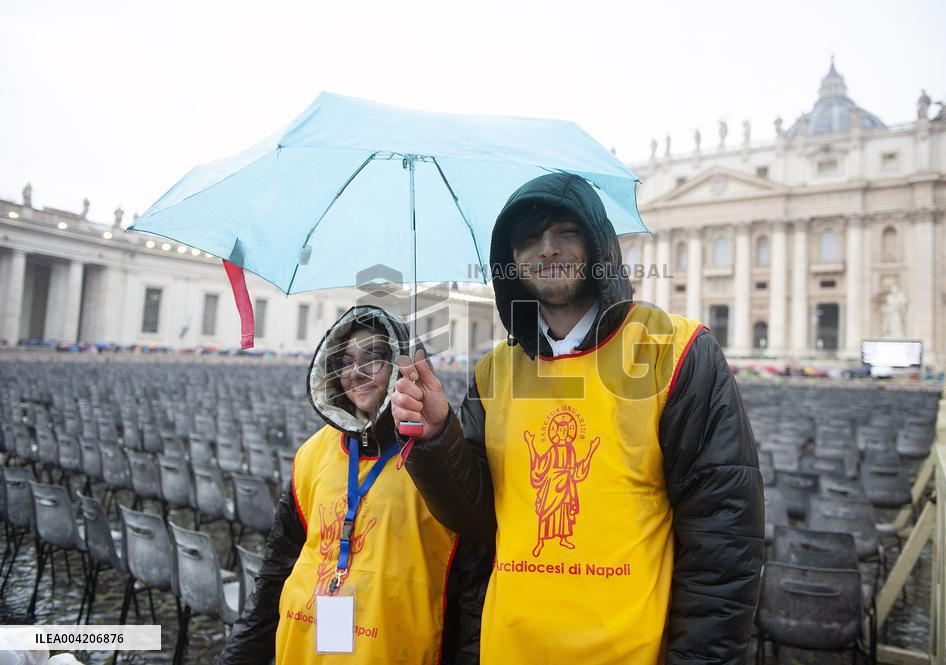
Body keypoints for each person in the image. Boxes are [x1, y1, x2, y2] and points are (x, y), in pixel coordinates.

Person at [393, 173, 764, 664]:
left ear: (599, 244)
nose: (547, 249)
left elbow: (723, 545)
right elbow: (478, 519)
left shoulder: (677, 352)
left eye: (565, 231)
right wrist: (439, 437)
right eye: (528, 238)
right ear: (510, 262)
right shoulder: (494, 370)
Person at [219, 305, 487, 665]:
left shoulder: (441, 461)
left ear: (400, 364)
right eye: (345, 361)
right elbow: (275, 576)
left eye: (373, 358)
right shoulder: (312, 454)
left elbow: (472, 598)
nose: (356, 373)